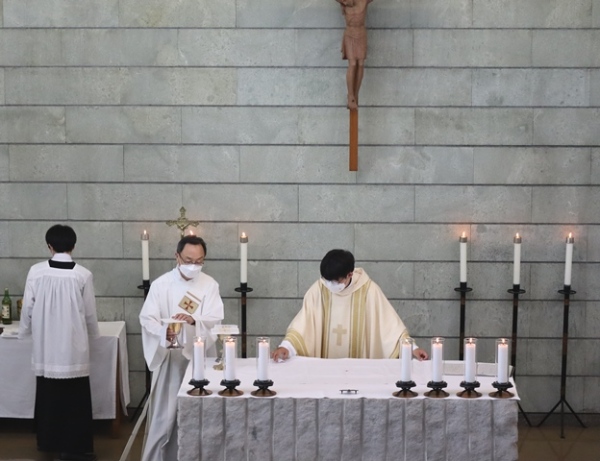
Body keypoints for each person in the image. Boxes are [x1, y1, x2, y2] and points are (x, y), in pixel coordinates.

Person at [19, 224, 100, 461]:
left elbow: (28, 307)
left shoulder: (36, 271)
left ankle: (48, 441)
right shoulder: (83, 274)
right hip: (74, 347)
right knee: (75, 399)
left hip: (47, 345)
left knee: (49, 395)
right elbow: (89, 313)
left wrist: (23, 332)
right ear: (73, 246)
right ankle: (76, 445)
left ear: (49, 246)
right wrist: (94, 334)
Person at [139, 235, 224, 461]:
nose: (193, 266)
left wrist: (194, 320)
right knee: (165, 417)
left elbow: (215, 320)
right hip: (170, 360)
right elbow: (147, 319)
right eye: (188, 259)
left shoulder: (209, 285)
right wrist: (166, 333)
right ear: (177, 256)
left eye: (199, 261)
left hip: (199, 360)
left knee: (200, 416)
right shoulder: (160, 285)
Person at [272, 249, 428, 361]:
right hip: (324, 372)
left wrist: (412, 349)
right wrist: (286, 347)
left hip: (359, 372)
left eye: (336, 281)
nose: (330, 285)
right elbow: (303, 325)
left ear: (350, 274)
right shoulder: (319, 289)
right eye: (327, 280)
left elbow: (390, 328)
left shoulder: (369, 291)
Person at [335, 0, 374, 110]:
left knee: (360, 63)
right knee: (352, 63)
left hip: (361, 33)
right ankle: (350, 95)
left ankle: (356, 94)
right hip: (350, 33)